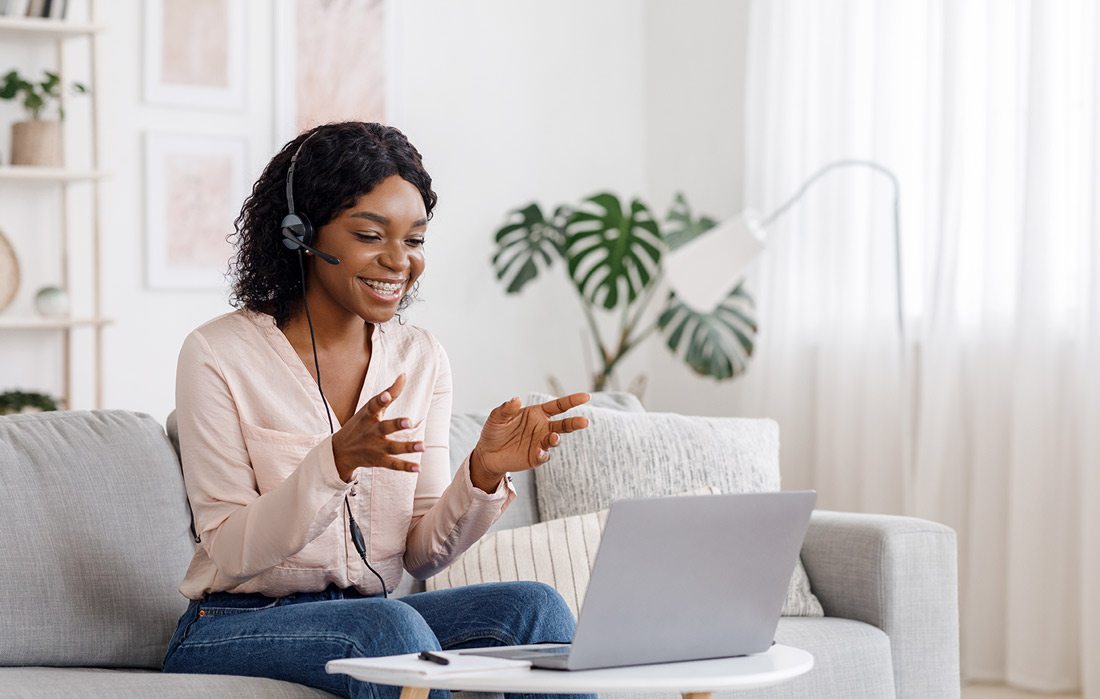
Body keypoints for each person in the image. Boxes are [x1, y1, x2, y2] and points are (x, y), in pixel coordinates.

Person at [162, 121, 595, 699]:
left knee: (533, 610)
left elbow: (421, 554)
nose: (400, 261)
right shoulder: (218, 353)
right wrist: (332, 464)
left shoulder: (421, 358)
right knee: (389, 628)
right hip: (234, 624)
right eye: (371, 235)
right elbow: (231, 550)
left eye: (414, 241)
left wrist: (484, 473)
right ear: (300, 235)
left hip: (370, 617)